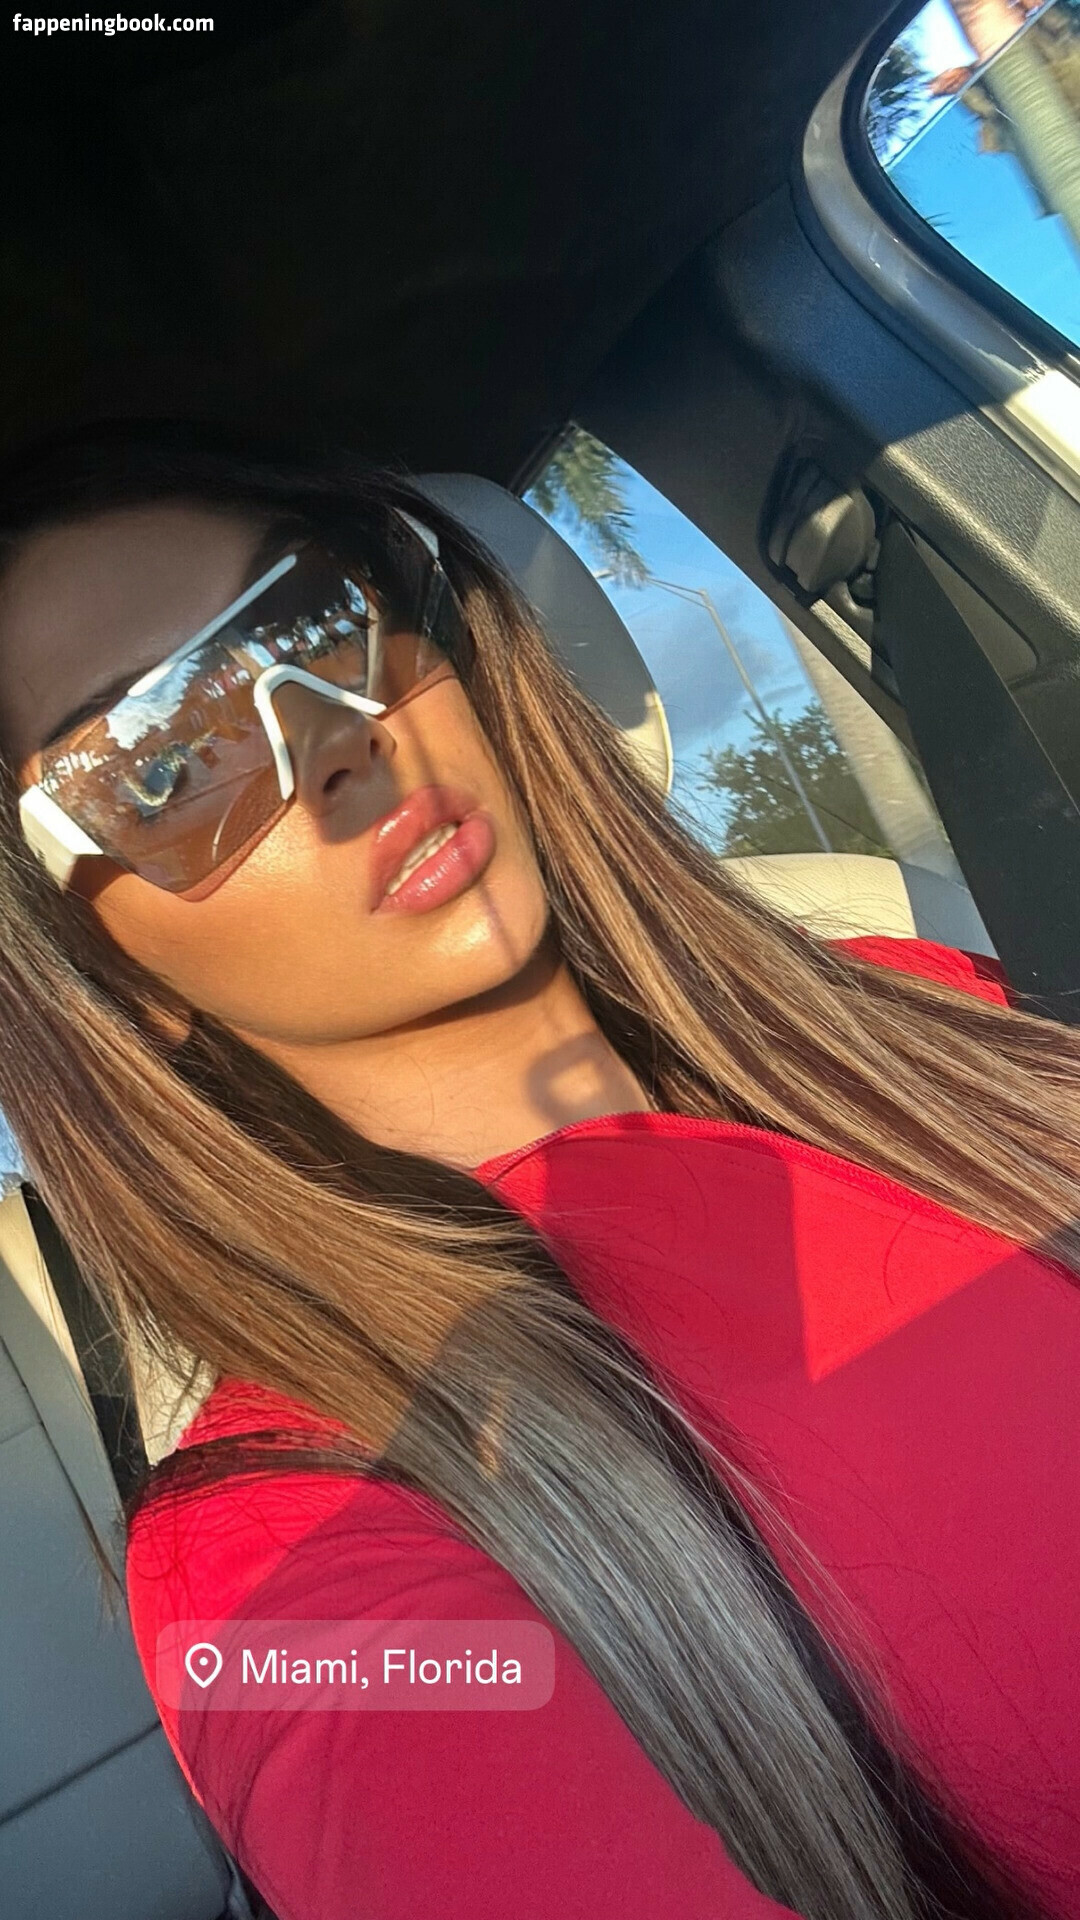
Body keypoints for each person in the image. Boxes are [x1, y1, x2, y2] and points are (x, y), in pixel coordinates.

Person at [0, 420, 1076, 1920]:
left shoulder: (914, 1005)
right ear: (100, 975)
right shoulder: (290, 1543)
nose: (335, 740)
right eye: (165, 764)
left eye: (313, 619)